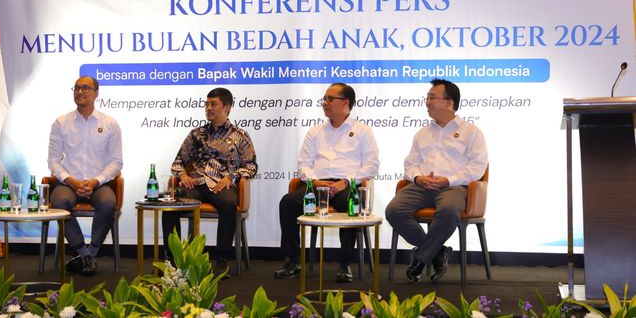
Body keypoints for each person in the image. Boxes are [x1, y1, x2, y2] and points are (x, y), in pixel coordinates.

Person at [274, 83, 380, 283]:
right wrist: (315, 181)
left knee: (348, 205)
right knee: (288, 202)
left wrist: (346, 182)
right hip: (317, 184)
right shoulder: (315, 131)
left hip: (346, 185)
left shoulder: (362, 131)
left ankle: (344, 264)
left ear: (345, 103)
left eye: (330, 99)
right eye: (324, 99)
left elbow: (372, 166)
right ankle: (293, 261)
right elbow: (304, 163)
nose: (325, 103)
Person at [385, 78, 488, 282]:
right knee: (393, 211)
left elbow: (478, 167)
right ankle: (438, 252)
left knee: (449, 211)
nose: (427, 102)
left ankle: (422, 257)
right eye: (427, 97)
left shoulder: (471, 132)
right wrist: (418, 177)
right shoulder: (422, 133)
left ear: (449, 103)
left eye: (432, 97)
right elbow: (410, 164)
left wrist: (448, 180)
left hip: (453, 187)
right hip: (421, 186)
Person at [161, 87, 258, 273]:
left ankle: (221, 259)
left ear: (227, 108)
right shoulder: (196, 134)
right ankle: (173, 260)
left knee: (229, 203)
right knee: (170, 204)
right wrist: (183, 175)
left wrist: (231, 177)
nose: (208, 108)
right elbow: (178, 162)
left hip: (221, 184)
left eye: (214, 104)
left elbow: (251, 166)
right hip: (196, 183)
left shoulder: (240, 136)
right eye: (207, 104)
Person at [48, 75, 123, 275]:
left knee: (108, 203)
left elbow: (116, 162)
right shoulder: (61, 123)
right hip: (68, 183)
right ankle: (84, 253)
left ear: (96, 93)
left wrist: (96, 180)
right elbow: (53, 161)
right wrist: (71, 181)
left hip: (98, 183)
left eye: (85, 88)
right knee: (59, 203)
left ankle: (92, 252)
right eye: (76, 88)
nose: (80, 91)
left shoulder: (110, 123)